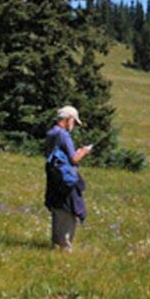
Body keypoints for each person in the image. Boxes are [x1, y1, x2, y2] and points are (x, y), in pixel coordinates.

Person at [44, 106, 92, 250]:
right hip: (66, 178)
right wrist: (84, 151)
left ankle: (56, 244)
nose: (74, 126)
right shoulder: (63, 135)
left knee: (58, 207)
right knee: (68, 208)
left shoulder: (51, 132)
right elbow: (74, 159)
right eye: (74, 122)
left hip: (54, 176)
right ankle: (65, 247)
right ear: (68, 119)